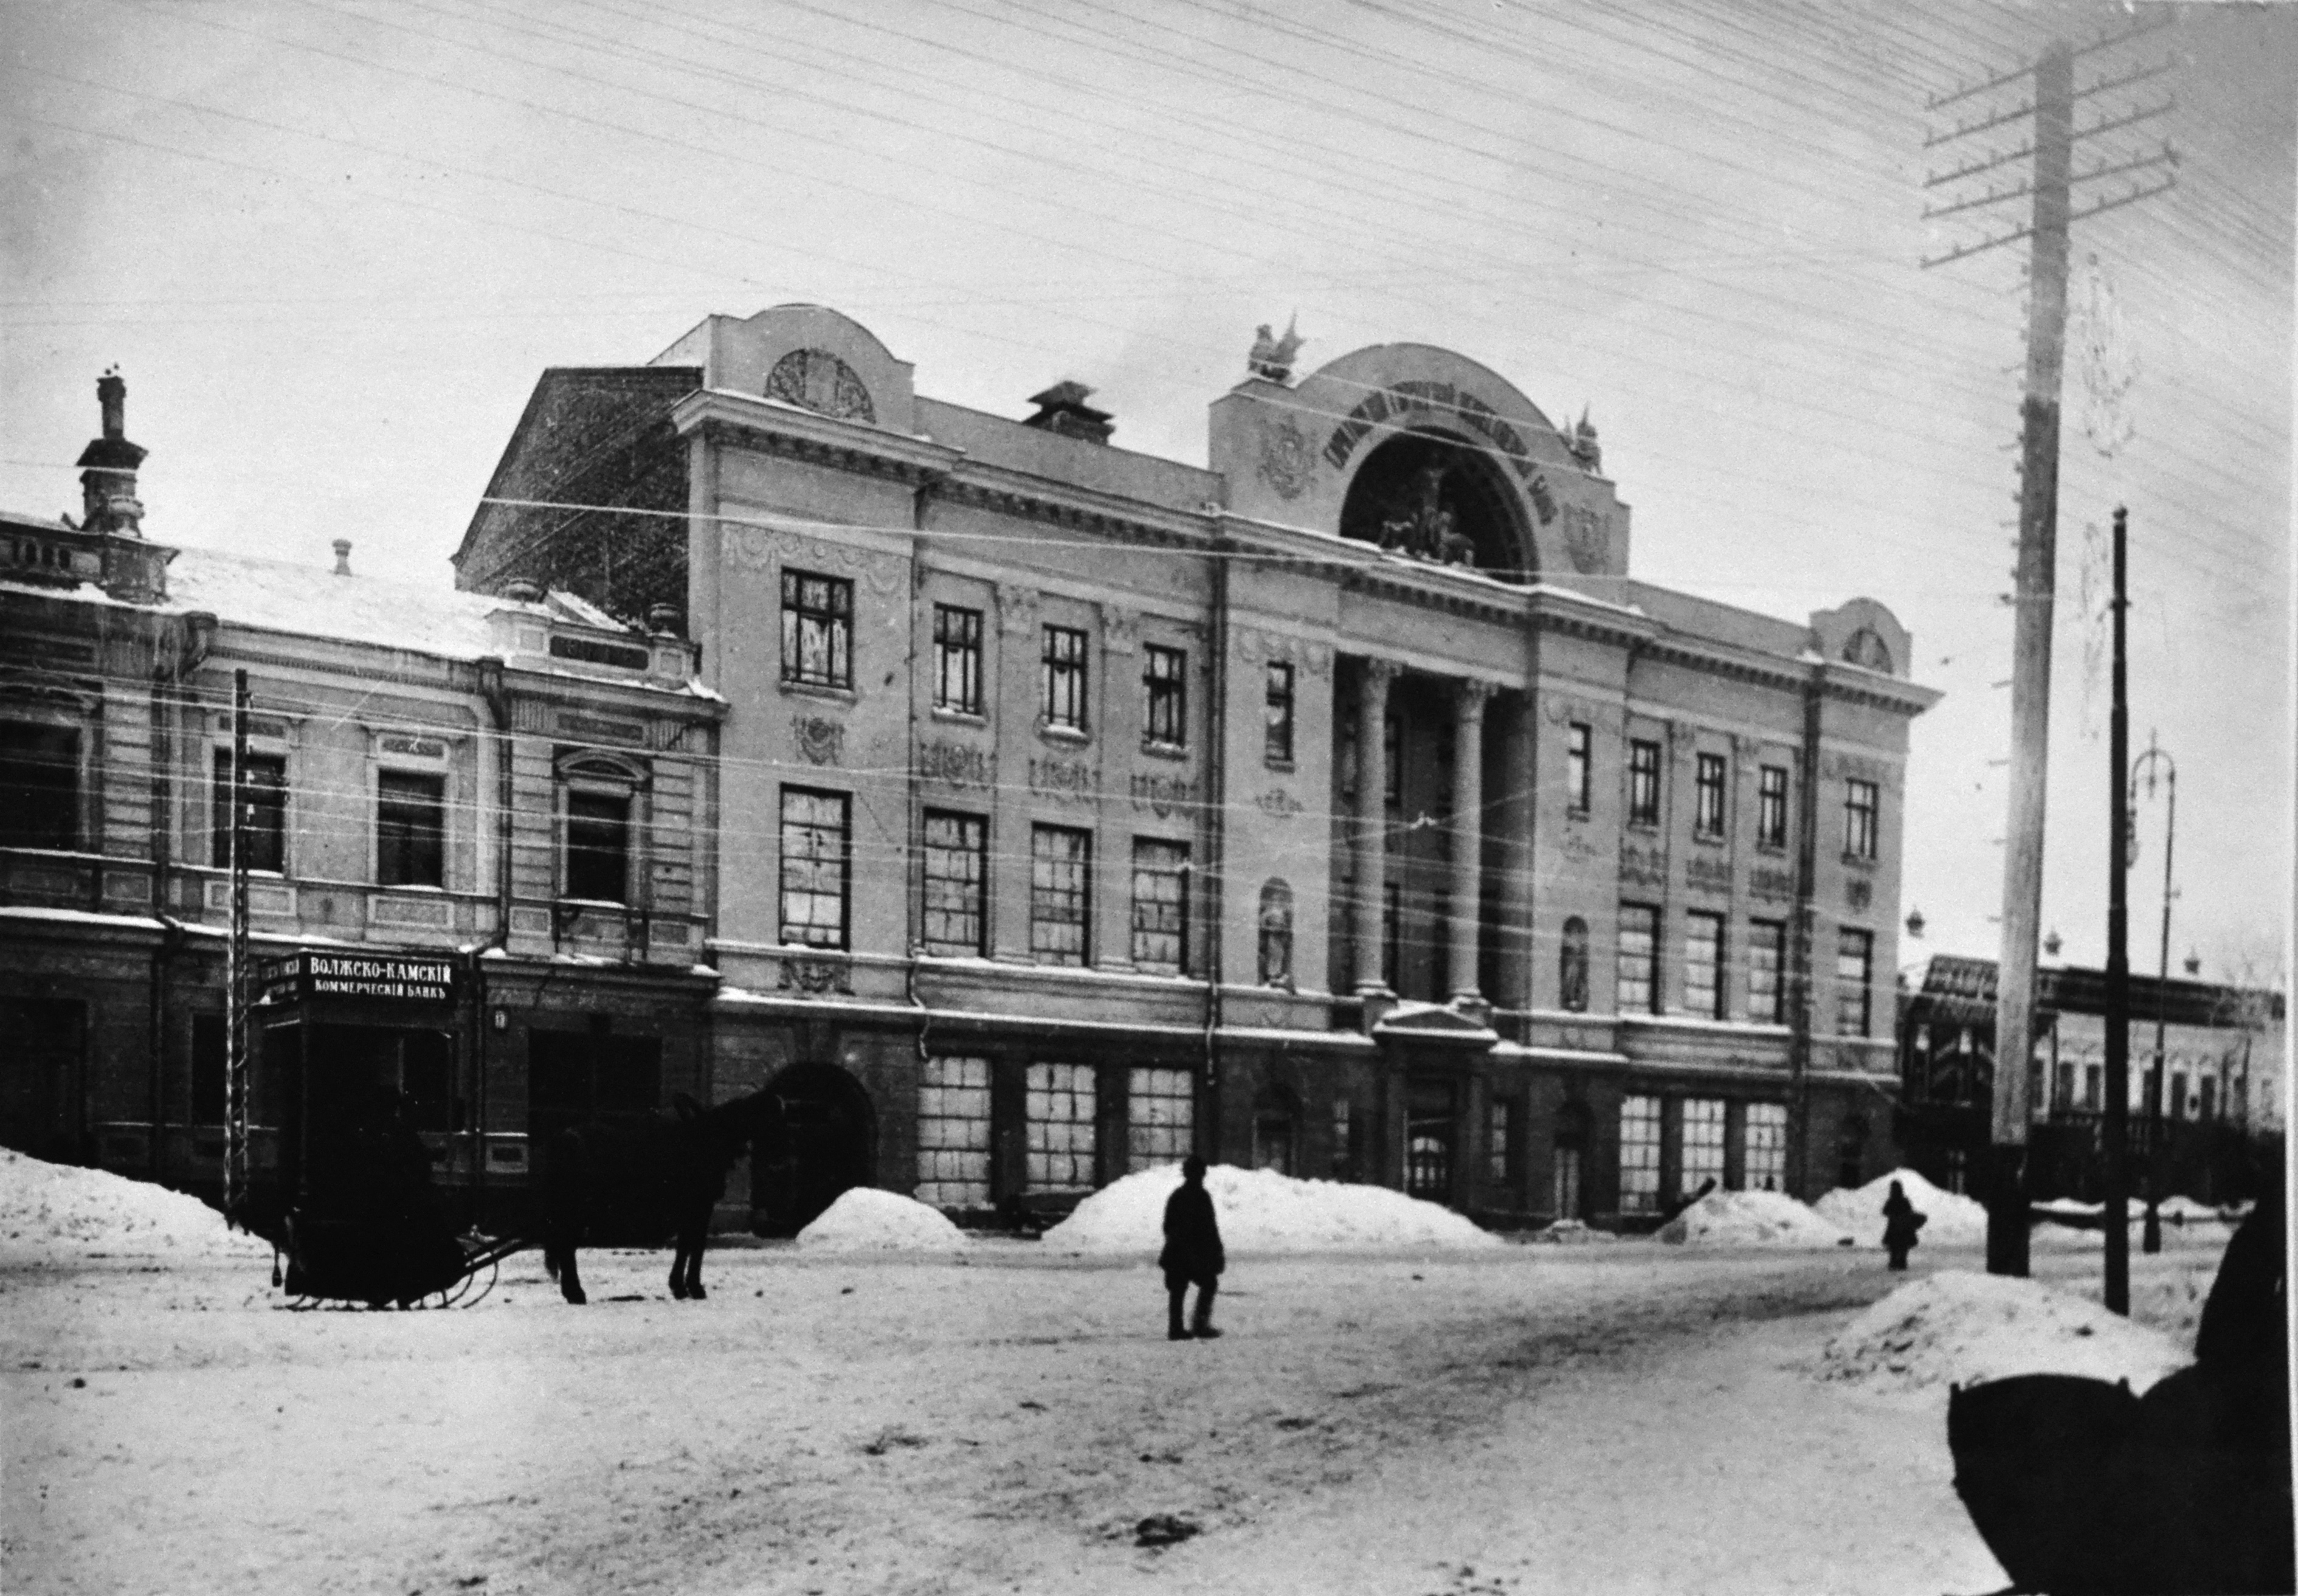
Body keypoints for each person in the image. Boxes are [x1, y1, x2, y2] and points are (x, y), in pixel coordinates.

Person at [1159, 1156, 1225, 1341]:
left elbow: (1168, 1226)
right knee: (1208, 1283)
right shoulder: (1202, 1197)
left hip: (1178, 1254)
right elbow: (1211, 1229)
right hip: (1193, 1255)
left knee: (1178, 1290)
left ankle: (1176, 1328)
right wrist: (1216, 1252)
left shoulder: (1177, 1196)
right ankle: (1199, 1324)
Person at [1881, 1178, 1926, 1271]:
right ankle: (1902, 1262)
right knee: (1903, 1246)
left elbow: (1885, 1212)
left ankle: (1894, 1262)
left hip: (1893, 1228)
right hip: (1905, 1228)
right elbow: (1910, 1212)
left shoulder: (1891, 1201)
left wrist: (1893, 1214)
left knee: (1894, 1247)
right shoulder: (1905, 1201)